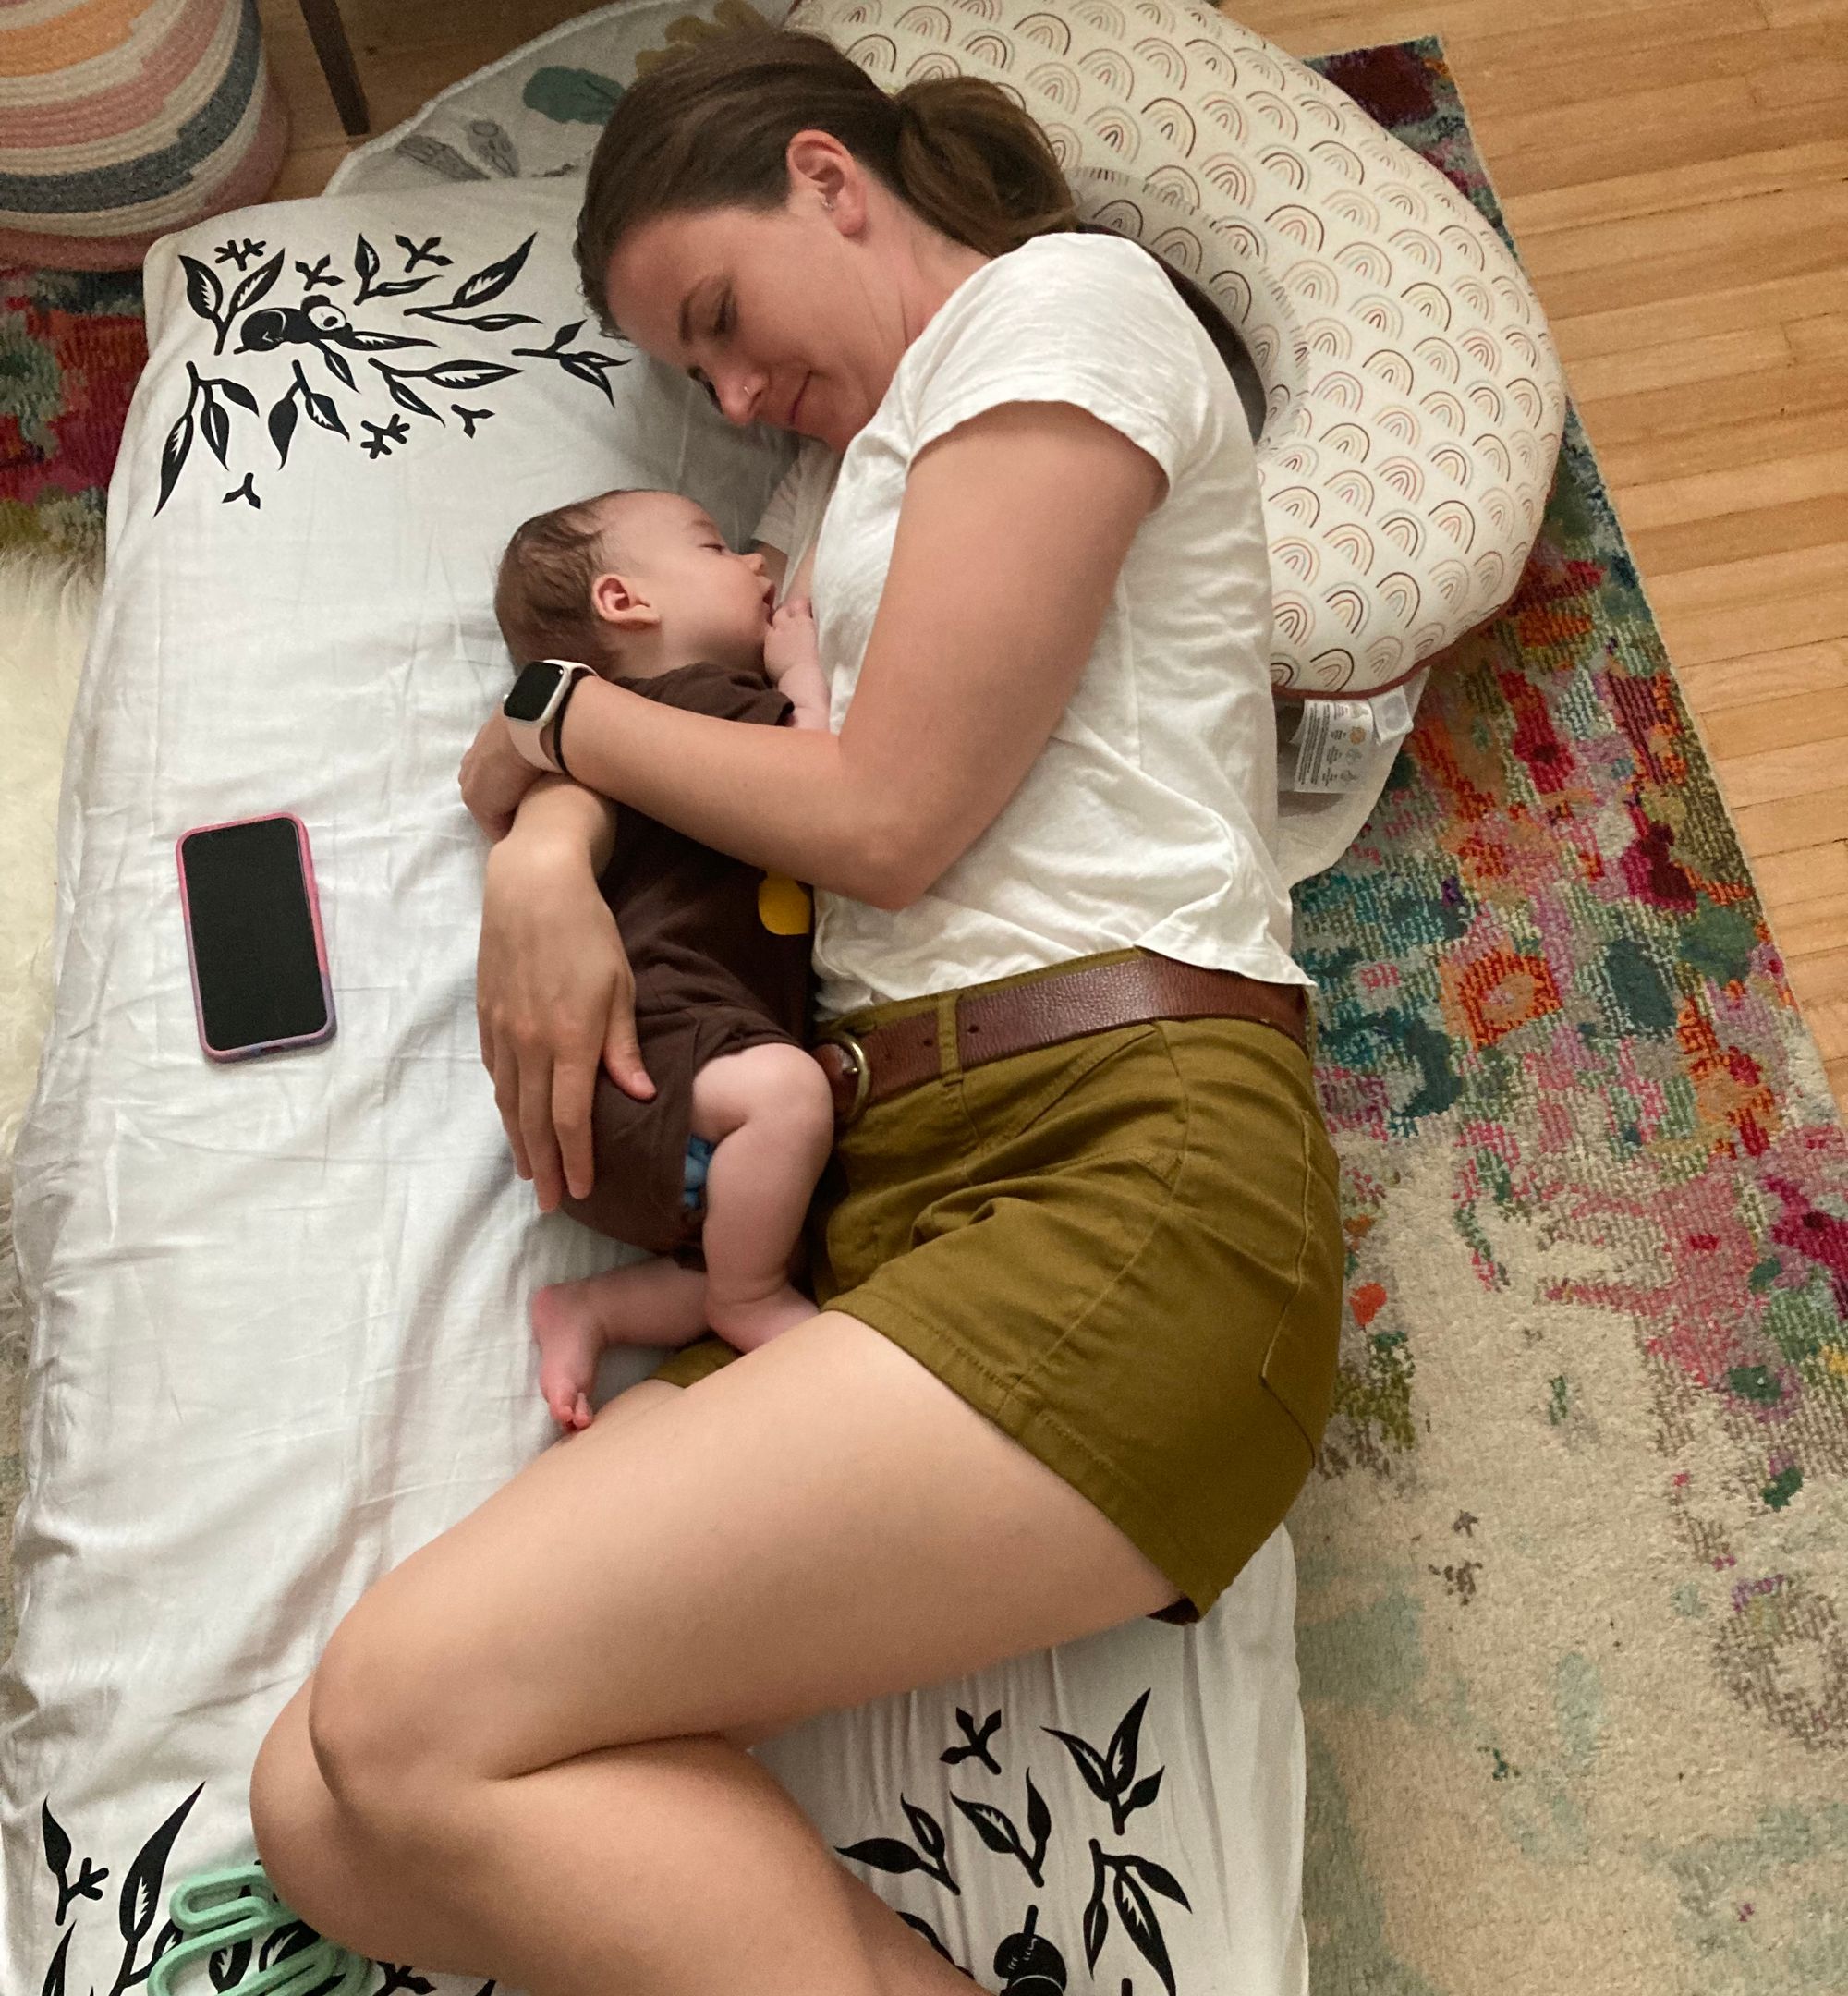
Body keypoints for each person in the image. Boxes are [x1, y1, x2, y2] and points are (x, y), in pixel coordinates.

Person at [245, 27, 1345, 1996]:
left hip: (1130, 1167)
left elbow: (891, 815)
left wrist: (555, 730)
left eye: (725, 318)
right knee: (322, 1821)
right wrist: (544, 848)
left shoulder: (1060, 312)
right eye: (695, 379)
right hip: (913, 1193)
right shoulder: (837, 499)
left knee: (404, 1718)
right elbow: (728, 740)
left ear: (833, 178)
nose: (736, 395)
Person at [493, 485, 835, 1430]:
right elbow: (820, 783)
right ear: (623, 602)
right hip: (648, 1061)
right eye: (717, 546)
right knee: (791, 1101)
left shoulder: (625, 736)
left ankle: (594, 1306)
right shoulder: (690, 709)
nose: (758, 565)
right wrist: (802, 673)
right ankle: (744, 1299)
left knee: (770, 1222)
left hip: (643, 1101)